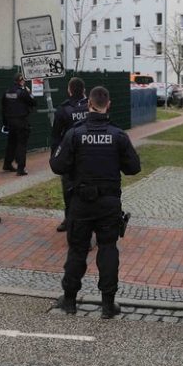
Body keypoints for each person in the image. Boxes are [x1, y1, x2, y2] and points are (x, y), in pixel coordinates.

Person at [50, 86, 140, 319]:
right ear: (107, 105)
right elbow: (133, 168)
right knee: (108, 249)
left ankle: (69, 301)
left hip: (81, 202)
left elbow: (57, 165)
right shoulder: (118, 135)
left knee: (77, 250)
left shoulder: (74, 134)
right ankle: (108, 305)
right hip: (108, 203)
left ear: (89, 104)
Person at [50, 77, 88, 233]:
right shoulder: (90, 106)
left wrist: (55, 155)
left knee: (68, 188)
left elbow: (55, 135)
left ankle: (69, 218)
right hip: (88, 154)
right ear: (84, 90)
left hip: (69, 156)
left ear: (69, 90)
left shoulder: (63, 109)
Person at [1, 73, 37, 176]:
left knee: (11, 142)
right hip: (21, 121)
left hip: (10, 121)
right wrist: (29, 92)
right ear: (21, 81)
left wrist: (5, 123)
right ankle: (21, 168)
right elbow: (34, 102)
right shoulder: (23, 92)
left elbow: (3, 108)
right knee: (21, 144)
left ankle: (7, 164)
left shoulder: (7, 92)